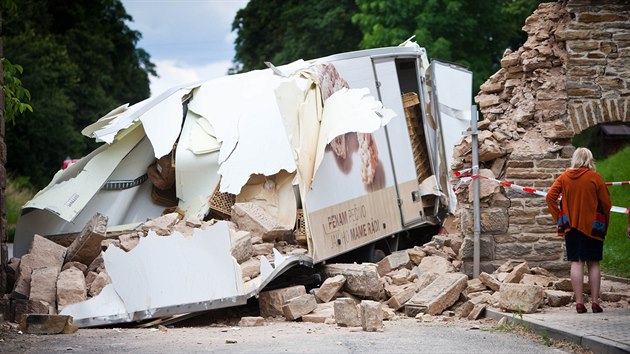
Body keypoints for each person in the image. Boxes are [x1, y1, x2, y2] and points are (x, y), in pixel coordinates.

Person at [546, 147, 612, 314]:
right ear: (590, 159)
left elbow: (550, 197)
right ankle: (596, 302)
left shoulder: (564, 177)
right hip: (593, 226)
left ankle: (579, 303)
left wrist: (559, 218)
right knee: (594, 262)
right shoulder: (595, 178)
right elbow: (606, 203)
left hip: (572, 226)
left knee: (576, 262)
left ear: (574, 159)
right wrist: (605, 221)